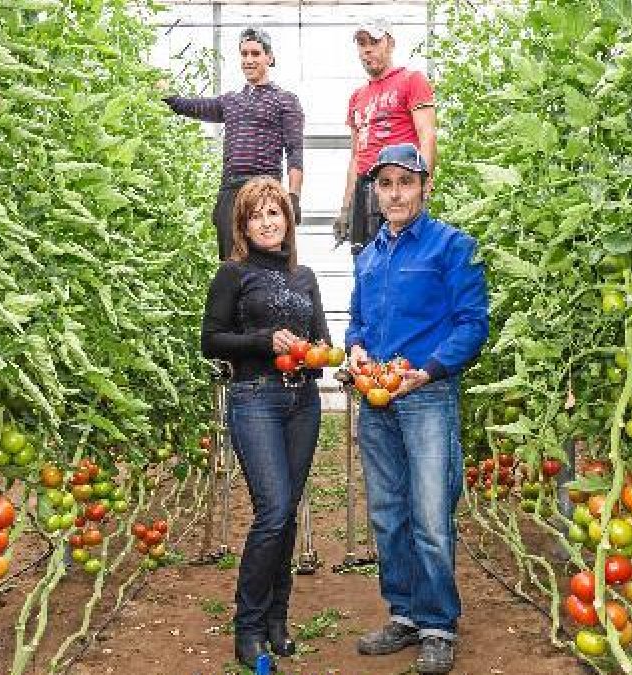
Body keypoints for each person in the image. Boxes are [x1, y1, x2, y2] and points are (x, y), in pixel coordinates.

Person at [345, 143, 488, 675]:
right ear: (376, 192)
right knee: (388, 514)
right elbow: (358, 321)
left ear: (424, 187)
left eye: (406, 182)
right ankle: (404, 614)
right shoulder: (370, 255)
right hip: (377, 396)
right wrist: (357, 349)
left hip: (425, 395)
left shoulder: (453, 246)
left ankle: (437, 624)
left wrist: (427, 370)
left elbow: (473, 324)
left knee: (430, 515)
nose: (396, 192)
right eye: (386, 184)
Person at [200, 177, 329, 669]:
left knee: (288, 510)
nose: (267, 221)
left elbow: (320, 338)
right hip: (255, 398)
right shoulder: (232, 275)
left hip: (303, 402)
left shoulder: (306, 276)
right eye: (256, 215)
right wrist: (263, 341)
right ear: (243, 226)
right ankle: (248, 627)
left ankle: (278, 618)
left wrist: (312, 353)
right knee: (272, 511)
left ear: (287, 219)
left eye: (274, 212)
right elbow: (211, 341)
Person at [164, 28, 304, 260]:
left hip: (264, 189)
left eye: (255, 54)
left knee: (265, 259)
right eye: (244, 54)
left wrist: (294, 197)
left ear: (269, 57)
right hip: (230, 190)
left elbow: (295, 151)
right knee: (231, 263)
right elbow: (193, 106)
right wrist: (166, 96)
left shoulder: (285, 100)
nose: (249, 60)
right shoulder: (231, 101)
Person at [333, 18, 437, 255]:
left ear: (390, 43)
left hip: (398, 182)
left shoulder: (412, 80)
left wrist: (423, 185)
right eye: (361, 43)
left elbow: (427, 135)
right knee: (365, 261)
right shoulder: (357, 96)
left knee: (404, 259)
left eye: (374, 42)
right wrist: (346, 206)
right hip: (365, 188)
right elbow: (355, 156)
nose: (367, 49)